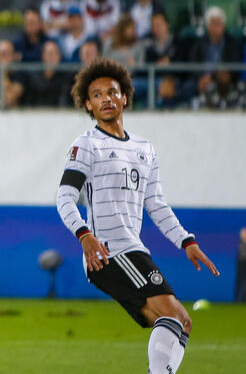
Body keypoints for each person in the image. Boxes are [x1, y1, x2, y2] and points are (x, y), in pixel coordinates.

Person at [56, 57, 220, 374]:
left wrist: (186, 241)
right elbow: (64, 197)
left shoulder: (145, 148)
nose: (106, 98)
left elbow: (155, 203)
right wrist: (84, 235)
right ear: (88, 105)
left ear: (125, 97)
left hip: (131, 249)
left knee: (179, 322)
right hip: (110, 251)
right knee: (174, 316)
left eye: (112, 92)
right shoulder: (87, 145)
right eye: (98, 95)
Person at [189, 6, 243, 96]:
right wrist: (200, 78)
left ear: (223, 26)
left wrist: (212, 77)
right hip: (202, 79)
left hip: (222, 80)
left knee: (224, 79)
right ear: (208, 26)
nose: (216, 27)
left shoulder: (232, 44)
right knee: (188, 87)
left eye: (218, 23)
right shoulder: (199, 43)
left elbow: (234, 68)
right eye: (213, 23)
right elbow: (193, 63)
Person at [22, 40, 72, 107]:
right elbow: (29, 102)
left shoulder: (66, 79)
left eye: (54, 53)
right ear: (43, 56)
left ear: (59, 56)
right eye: (49, 54)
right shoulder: (34, 78)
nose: (51, 57)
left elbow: (64, 102)